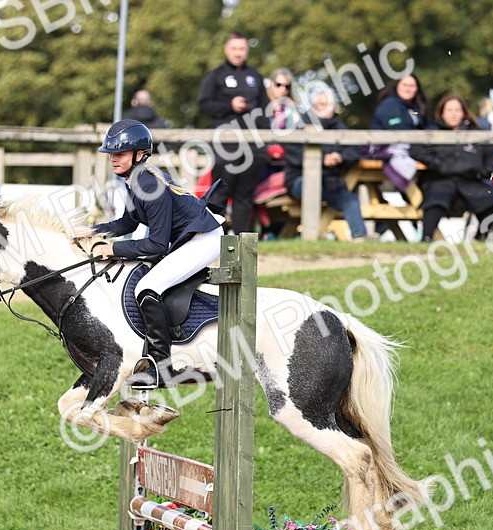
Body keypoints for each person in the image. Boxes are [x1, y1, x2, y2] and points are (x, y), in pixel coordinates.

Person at [90, 120, 224, 389]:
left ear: (139, 154)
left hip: (204, 239)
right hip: (191, 236)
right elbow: (129, 223)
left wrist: (114, 249)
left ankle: (160, 366)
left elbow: (157, 245)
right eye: (111, 154)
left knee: (148, 286)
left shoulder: (149, 184)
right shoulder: (135, 180)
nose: (113, 159)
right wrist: (92, 231)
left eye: (120, 154)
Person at [197, 31, 268, 234]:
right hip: (225, 143)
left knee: (245, 196)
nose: (238, 53)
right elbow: (204, 104)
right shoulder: (215, 75)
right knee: (220, 192)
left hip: (252, 145)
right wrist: (230, 105)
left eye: (242, 49)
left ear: (247, 50)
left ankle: (240, 242)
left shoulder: (255, 76)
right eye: (234, 48)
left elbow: (265, 110)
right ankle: (212, 238)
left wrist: (265, 139)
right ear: (226, 49)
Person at [408, 94, 493, 242]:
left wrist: (486, 172)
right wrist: (437, 163)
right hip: (440, 180)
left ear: (463, 112)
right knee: (435, 200)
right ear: (442, 113)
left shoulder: (476, 132)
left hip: (470, 181)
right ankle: (426, 239)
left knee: (492, 196)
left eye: (457, 110)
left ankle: (483, 237)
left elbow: (491, 154)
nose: (453, 114)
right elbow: (415, 149)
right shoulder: (431, 132)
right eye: (449, 110)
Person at [282, 90, 370, 241]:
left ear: (335, 108)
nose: (325, 108)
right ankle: (310, 238)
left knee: (351, 201)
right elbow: (293, 152)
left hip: (330, 183)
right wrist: (321, 160)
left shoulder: (340, 128)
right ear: (315, 106)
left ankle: (360, 240)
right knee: (311, 185)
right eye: (321, 104)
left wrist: (339, 157)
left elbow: (355, 151)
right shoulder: (300, 125)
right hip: (299, 181)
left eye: (328, 105)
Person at [369, 73, 431, 198]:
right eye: (405, 85)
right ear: (397, 86)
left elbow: (424, 127)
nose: (408, 88)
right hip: (387, 150)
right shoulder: (389, 104)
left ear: (417, 88)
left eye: (412, 85)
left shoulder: (414, 109)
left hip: (413, 149)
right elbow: (396, 128)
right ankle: (417, 199)